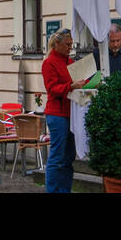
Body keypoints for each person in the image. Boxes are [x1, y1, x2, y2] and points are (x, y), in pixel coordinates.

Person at [41, 29, 89, 194]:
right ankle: (53, 190)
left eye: (71, 44)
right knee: (57, 157)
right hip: (57, 114)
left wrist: (89, 82)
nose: (70, 47)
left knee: (68, 157)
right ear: (57, 44)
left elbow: (79, 81)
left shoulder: (70, 62)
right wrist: (71, 86)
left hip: (71, 113)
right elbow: (52, 89)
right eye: (67, 44)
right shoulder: (49, 63)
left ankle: (64, 190)